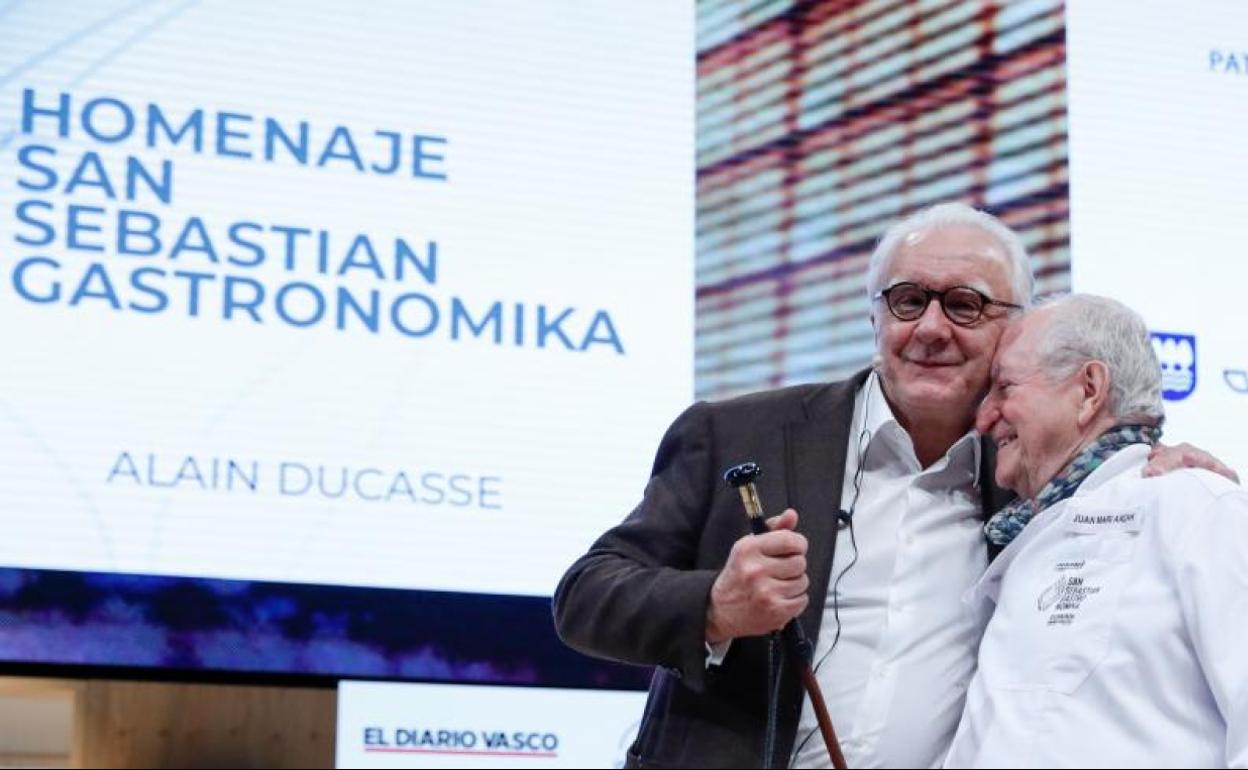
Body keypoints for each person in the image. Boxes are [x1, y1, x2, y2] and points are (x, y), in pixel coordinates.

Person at [553, 202, 1233, 769]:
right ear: (873, 318)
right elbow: (585, 596)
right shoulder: (736, 434)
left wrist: (1150, 456)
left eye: (965, 306)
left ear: (1012, 331)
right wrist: (715, 605)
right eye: (907, 301)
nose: (930, 328)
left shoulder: (1035, 488)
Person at [945, 294, 1247, 768]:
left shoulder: (1197, 506)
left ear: (1088, 389)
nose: (984, 418)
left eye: (1004, 387)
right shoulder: (1021, 537)